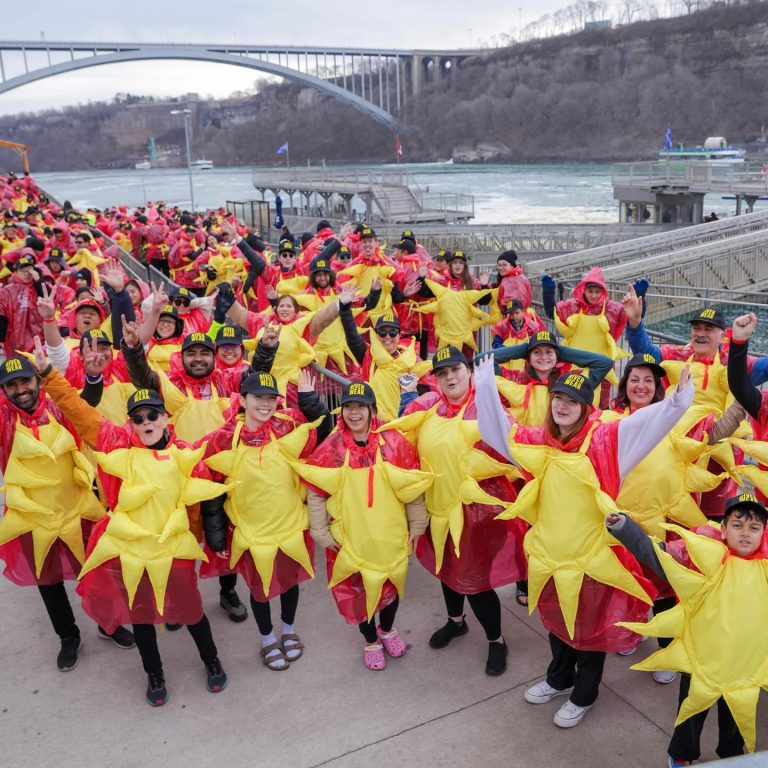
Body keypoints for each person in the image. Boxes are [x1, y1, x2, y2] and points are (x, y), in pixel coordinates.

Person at [475, 354, 694, 728]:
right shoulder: (539, 442)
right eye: (558, 398)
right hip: (549, 555)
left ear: (585, 408)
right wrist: (482, 387)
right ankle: (559, 679)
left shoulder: (606, 440)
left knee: (588, 632)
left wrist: (676, 400)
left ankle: (584, 693)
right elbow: (500, 432)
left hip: (591, 558)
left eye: (572, 401)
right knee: (556, 624)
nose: (563, 406)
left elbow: (643, 423)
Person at [37, 347, 229, 707]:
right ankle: (153, 674)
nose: (146, 423)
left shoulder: (186, 453)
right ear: (130, 423)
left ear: (165, 418)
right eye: (137, 418)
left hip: (174, 551)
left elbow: (208, 503)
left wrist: (211, 537)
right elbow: (79, 412)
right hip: (132, 552)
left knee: (190, 611)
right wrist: (48, 374)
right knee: (141, 617)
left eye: (152, 415)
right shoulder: (116, 445)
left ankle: (211, 660)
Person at [389, 346, 527, 676]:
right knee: (446, 572)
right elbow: (398, 434)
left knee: (476, 582)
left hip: (477, 515)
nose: (450, 376)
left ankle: (496, 640)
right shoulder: (428, 407)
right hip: (438, 510)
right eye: (442, 372)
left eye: (456, 370)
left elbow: (516, 446)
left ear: (468, 372)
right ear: (436, 379)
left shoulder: (487, 408)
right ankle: (456, 622)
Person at [606, 493, 768, 763]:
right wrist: (626, 528)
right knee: (690, 714)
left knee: (736, 722)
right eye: (737, 524)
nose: (745, 533)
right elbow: (659, 557)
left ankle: (732, 758)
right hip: (700, 662)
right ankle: (681, 754)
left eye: (754, 527)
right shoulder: (706, 559)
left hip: (744, 669)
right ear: (723, 530)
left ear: (763, 533)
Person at [0, 350, 135, 671]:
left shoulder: (60, 409)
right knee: (48, 583)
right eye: (12, 385)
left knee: (97, 572)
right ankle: (68, 636)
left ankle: (109, 625)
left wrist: (84, 375)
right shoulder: (4, 421)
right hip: (33, 520)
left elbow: (86, 399)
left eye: (26, 381)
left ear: (38, 381)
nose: (20, 390)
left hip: (79, 510)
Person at [199, 369, 329, 670]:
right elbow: (211, 489)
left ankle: (287, 629)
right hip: (253, 533)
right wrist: (216, 536)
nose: (266, 404)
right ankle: (268, 638)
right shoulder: (222, 439)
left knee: (289, 582)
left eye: (272, 398)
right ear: (243, 399)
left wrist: (311, 404)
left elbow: (325, 438)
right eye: (259, 397)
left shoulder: (288, 425)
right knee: (260, 589)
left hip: (291, 525)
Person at [298, 382, 431, 670]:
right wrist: (319, 532)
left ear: (372, 409)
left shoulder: (393, 442)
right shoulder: (330, 449)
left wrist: (417, 524)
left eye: (361, 406)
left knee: (392, 586)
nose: (354, 412)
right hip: (351, 539)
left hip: (391, 535)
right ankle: (371, 640)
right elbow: (316, 493)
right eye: (348, 406)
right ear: (341, 411)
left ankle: (388, 629)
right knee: (360, 592)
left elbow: (412, 489)